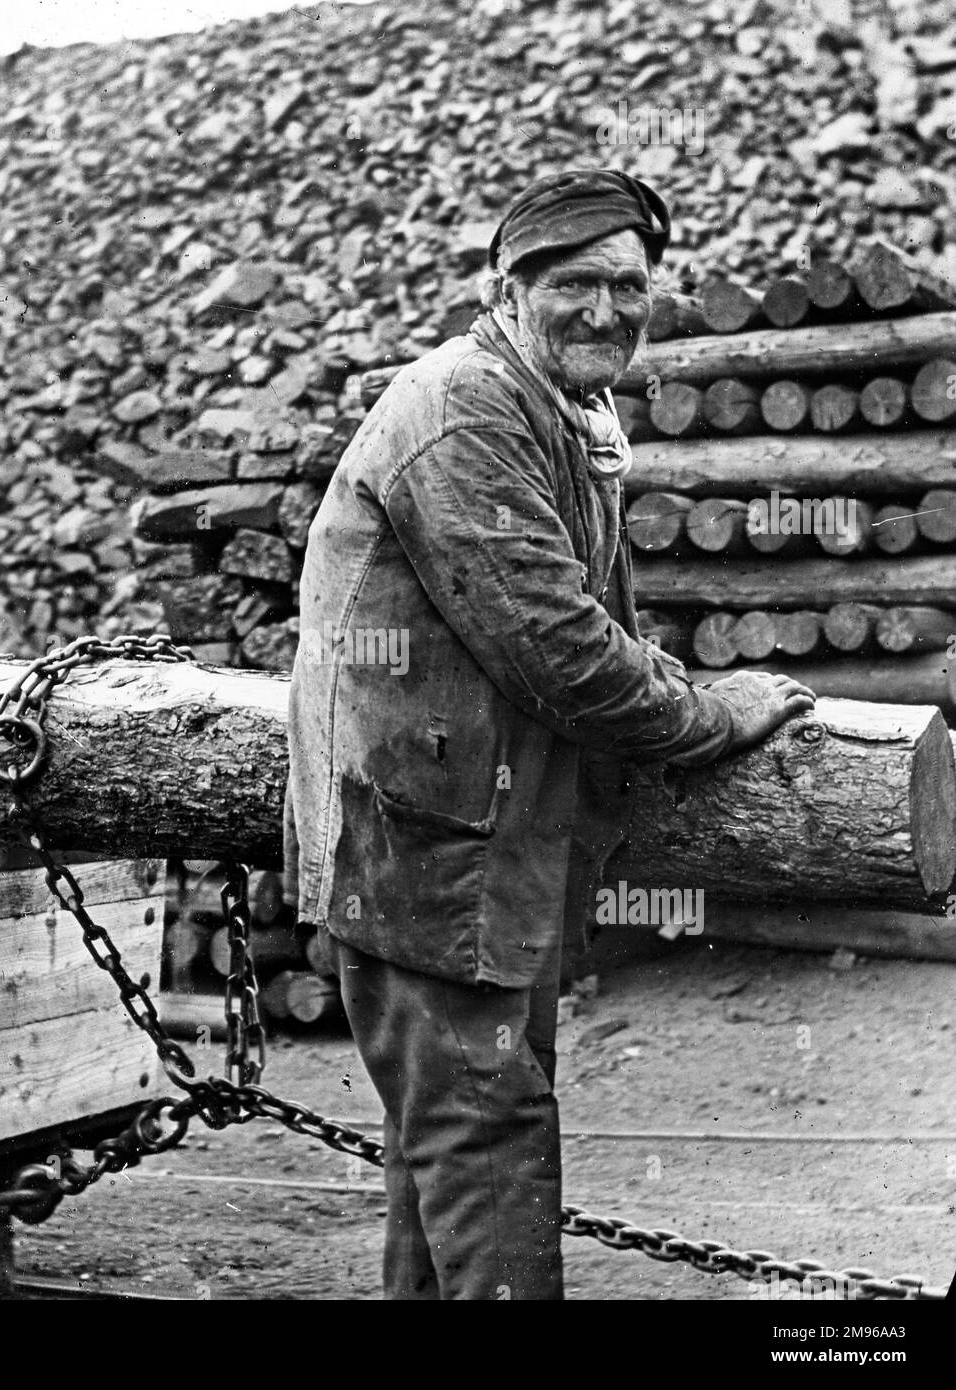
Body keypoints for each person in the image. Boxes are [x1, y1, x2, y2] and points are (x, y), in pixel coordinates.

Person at [282, 169, 815, 1300]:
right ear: (503, 286)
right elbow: (562, 652)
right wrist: (715, 712)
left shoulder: (562, 408)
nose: (606, 310)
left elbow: (585, 619)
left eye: (628, 286)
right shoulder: (465, 409)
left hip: (476, 843)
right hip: (421, 851)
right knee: (487, 1139)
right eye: (573, 282)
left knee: (458, 1144)